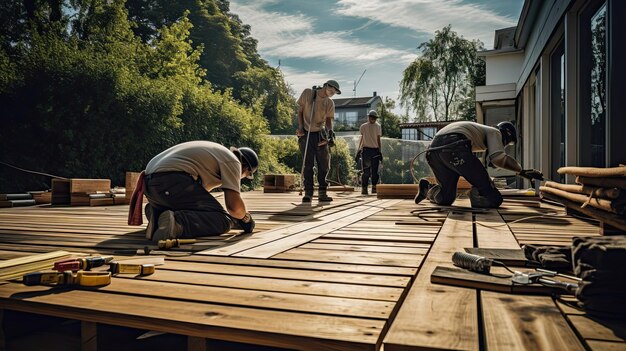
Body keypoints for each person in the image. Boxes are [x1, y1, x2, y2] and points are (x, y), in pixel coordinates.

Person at [130, 141, 259, 241]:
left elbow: (197, 203)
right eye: (246, 176)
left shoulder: (215, 156)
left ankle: (157, 215)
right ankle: (176, 223)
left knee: (209, 213)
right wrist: (245, 218)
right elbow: (234, 208)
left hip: (151, 186)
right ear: (245, 169)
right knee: (223, 220)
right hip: (171, 180)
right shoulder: (233, 161)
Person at [414, 121, 542, 208]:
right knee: (494, 198)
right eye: (507, 144)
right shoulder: (495, 132)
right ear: (506, 135)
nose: (505, 146)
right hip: (454, 148)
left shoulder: (476, 131)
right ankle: (477, 195)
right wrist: (521, 171)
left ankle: (427, 188)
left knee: (446, 199)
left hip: (433, 152)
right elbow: (498, 159)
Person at [296, 79, 341, 203]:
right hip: (306, 133)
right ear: (326, 86)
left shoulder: (329, 103)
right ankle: (308, 193)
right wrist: (300, 128)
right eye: (330, 90)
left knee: (324, 164)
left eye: (334, 93)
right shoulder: (308, 93)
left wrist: (330, 132)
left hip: (319, 134)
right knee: (308, 165)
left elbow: (328, 120)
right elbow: (299, 112)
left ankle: (322, 192)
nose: (331, 94)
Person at [357, 109, 382, 195]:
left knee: (374, 171)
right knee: (366, 171)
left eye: (374, 118)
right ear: (369, 117)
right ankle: (365, 188)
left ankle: (373, 188)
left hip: (374, 150)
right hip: (367, 150)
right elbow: (362, 138)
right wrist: (359, 149)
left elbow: (378, 139)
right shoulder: (364, 126)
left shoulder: (377, 126)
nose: (373, 119)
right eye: (372, 117)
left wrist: (380, 151)